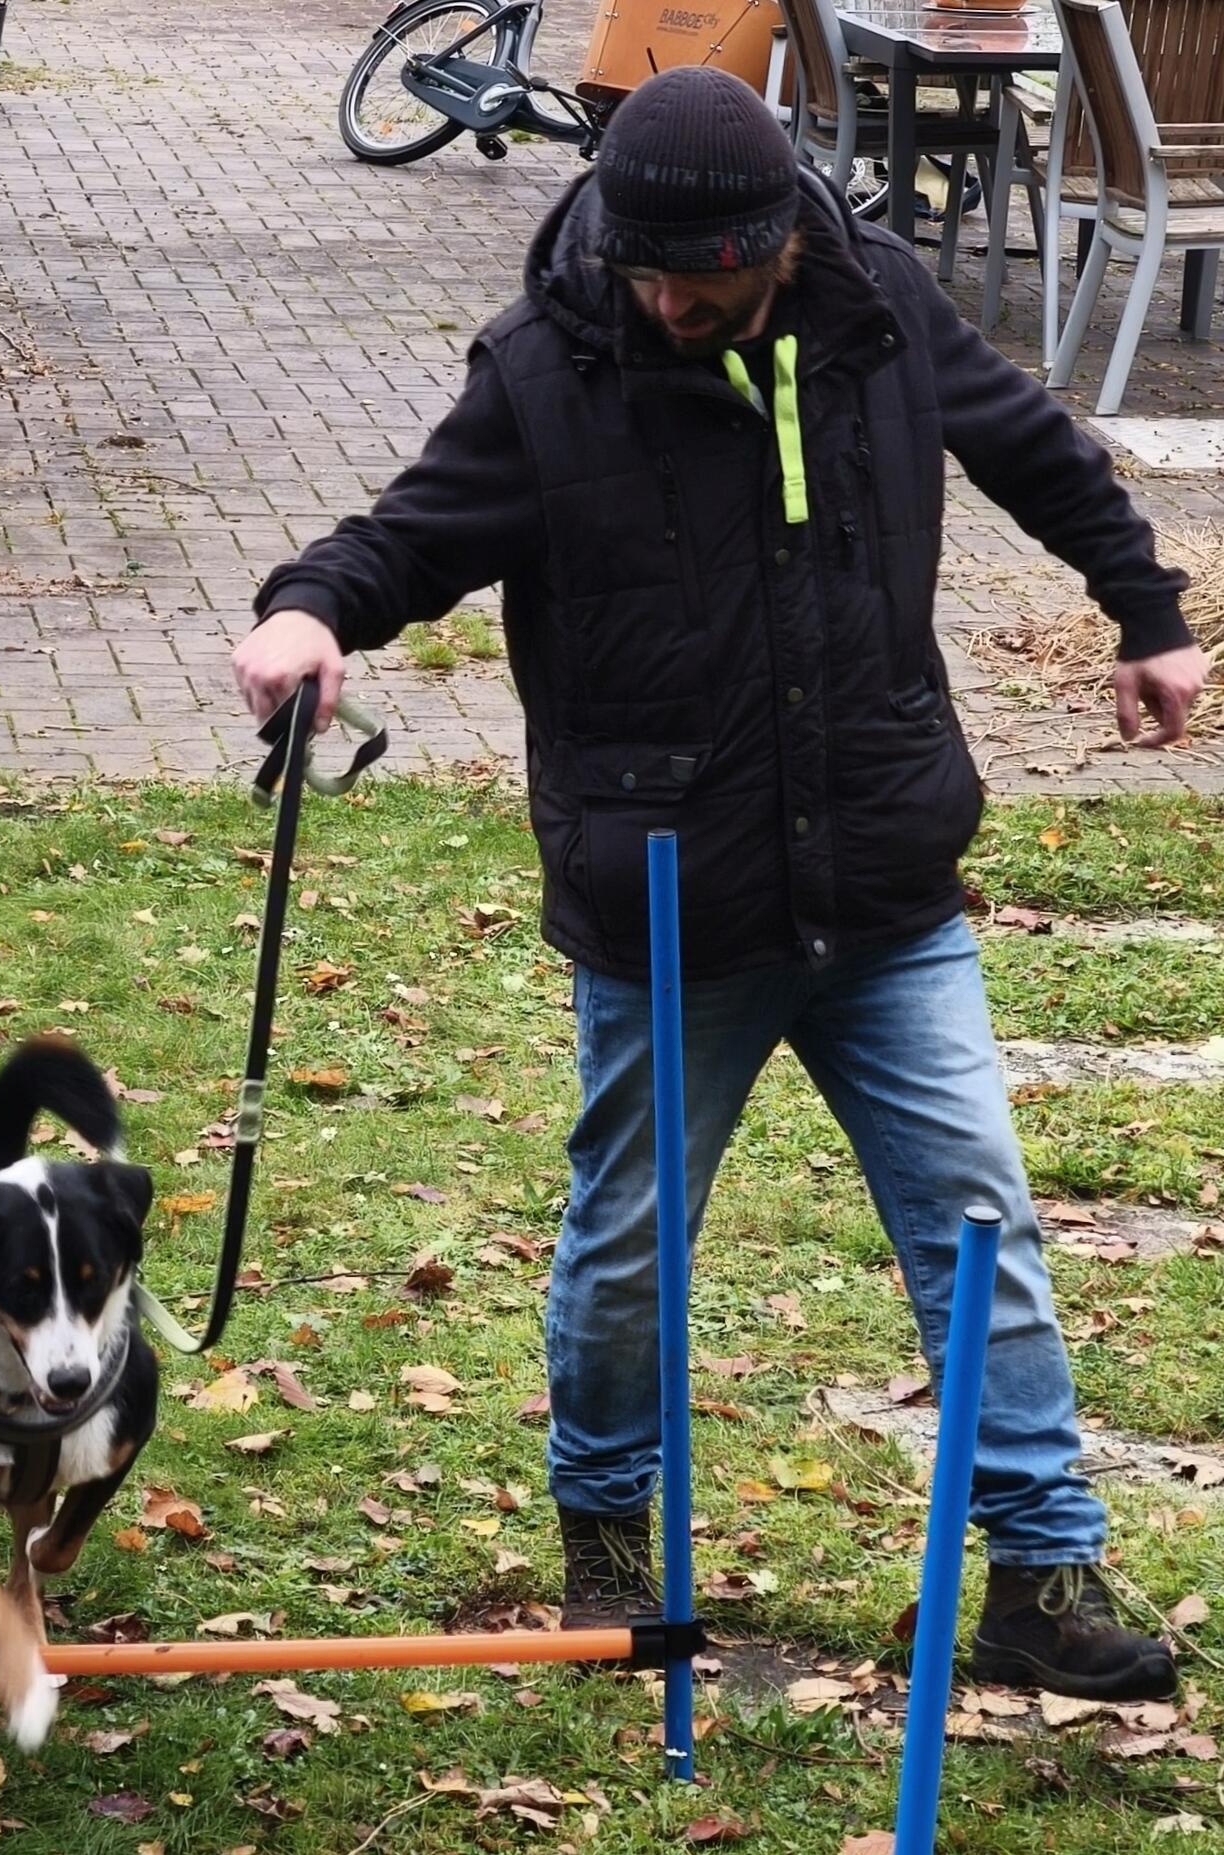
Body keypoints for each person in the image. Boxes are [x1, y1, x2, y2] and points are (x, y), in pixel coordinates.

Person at [232, 68, 1206, 1700]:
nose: (669, 301)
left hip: (885, 874)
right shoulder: (552, 368)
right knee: (630, 1241)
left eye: (703, 277)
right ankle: (609, 1541)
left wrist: (1146, 605)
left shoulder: (877, 305)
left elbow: (1037, 445)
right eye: (646, 268)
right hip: (669, 894)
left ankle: (1043, 1572)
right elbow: (405, 533)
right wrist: (310, 609)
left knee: (982, 1227)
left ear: (779, 250)